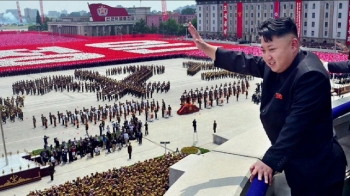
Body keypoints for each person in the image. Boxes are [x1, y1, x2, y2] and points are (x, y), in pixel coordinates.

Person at [188, 17, 346, 195]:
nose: (267, 57)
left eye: (272, 49)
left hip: (320, 172)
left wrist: (269, 161)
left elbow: (296, 126)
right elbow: (245, 61)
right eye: (263, 50)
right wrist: (205, 47)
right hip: (301, 167)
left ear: (294, 44)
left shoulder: (310, 76)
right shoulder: (282, 63)